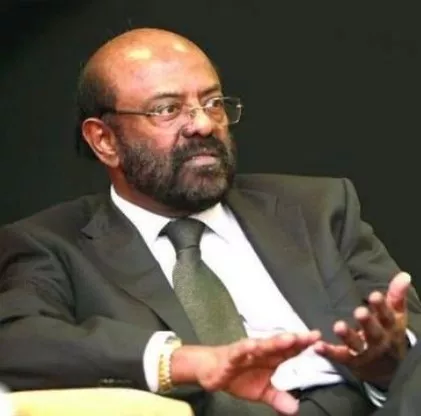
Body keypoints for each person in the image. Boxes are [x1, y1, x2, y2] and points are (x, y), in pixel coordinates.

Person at [0, 27, 420, 416]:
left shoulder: (317, 208)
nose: (203, 124)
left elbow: (407, 336)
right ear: (104, 140)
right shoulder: (50, 244)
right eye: (167, 109)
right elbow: (16, 343)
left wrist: (389, 362)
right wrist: (184, 362)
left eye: (213, 103)